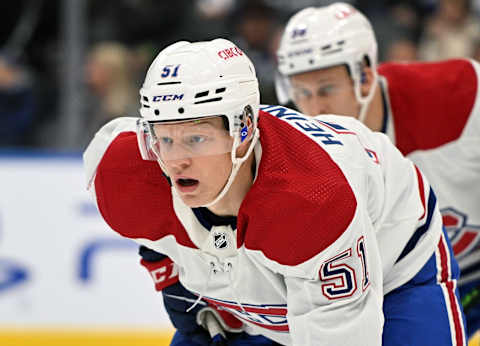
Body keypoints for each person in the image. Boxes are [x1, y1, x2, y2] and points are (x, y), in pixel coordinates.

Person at [84, 38, 466, 345]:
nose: (175, 161)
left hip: (395, 259)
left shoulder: (314, 199)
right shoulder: (127, 170)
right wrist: (171, 279)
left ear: (244, 130)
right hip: (280, 260)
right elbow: (153, 232)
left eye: (196, 137)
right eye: (164, 139)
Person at [276, 2, 480, 339]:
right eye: (301, 93)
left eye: (326, 89)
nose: (314, 108)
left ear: (366, 76)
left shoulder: (457, 96)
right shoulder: (302, 157)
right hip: (413, 284)